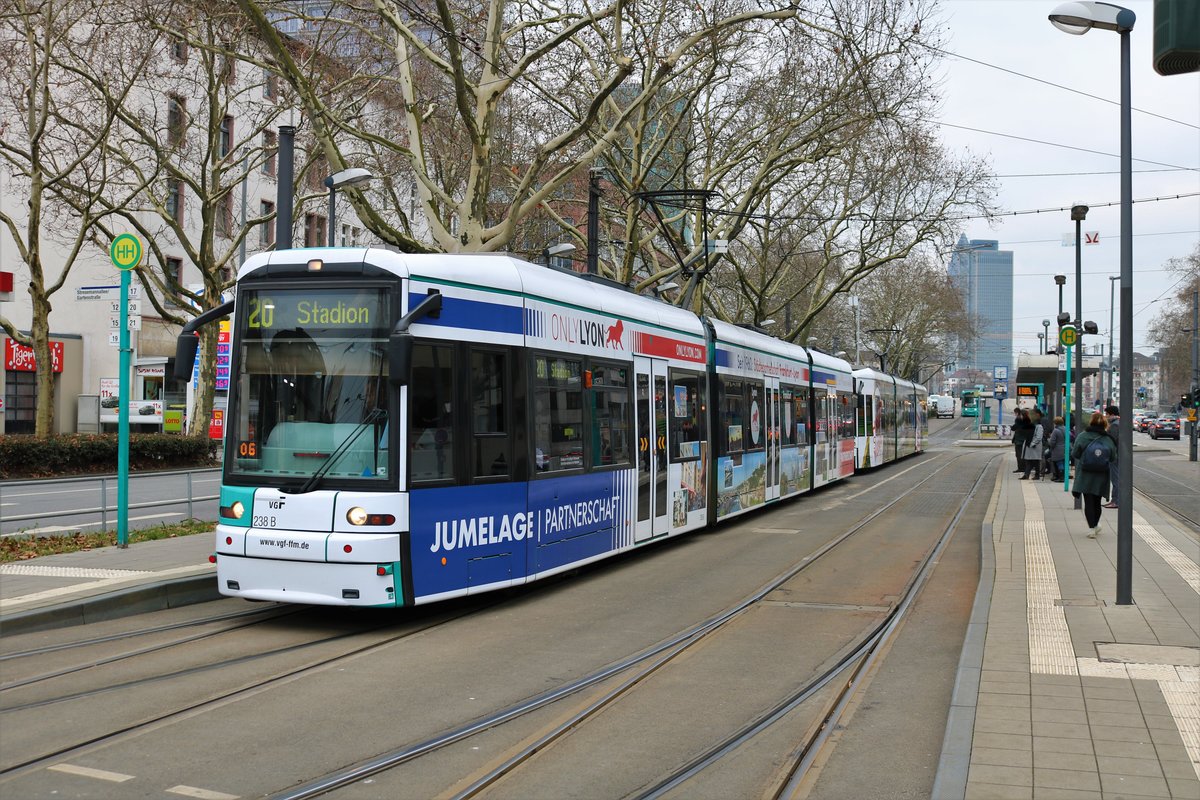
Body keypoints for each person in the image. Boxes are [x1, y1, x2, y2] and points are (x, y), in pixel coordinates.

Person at [1072, 411, 1118, 538]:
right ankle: (1096, 524)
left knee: (1088, 501)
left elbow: (1075, 453)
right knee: (1097, 501)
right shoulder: (1108, 439)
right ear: (1104, 423)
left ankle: (1092, 528)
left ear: (1090, 422)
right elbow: (1113, 457)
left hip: (1085, 472)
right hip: (1101, 474)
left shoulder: (1083, 436)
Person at [1103, 404, 1121, 509]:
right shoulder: (1118, 423)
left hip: (1114, 455)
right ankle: (1115, 500)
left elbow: (1112, 440)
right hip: (1118, 454)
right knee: (1116, 478)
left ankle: (1116, 501)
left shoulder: (1114, 425)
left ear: (1112, 414)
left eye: (1107, 414)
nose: (1106, 416)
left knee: (1115, 479)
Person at [1011, 409, 1034, 474]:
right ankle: (1024, 468)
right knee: (1023, 454)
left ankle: (1021, 468)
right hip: (1025, 440)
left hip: (1019, 441)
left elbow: (1013, 428)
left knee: (1019, 455)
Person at [1047, 416, 1067, 481]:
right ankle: (1062, 476)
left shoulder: (1055, 431)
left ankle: (1060, 477)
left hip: (1057, 450)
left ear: (1056, 423)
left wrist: (1049, 441)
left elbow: (1052, 442)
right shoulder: (1066, 429)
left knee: (1059, 463)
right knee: (1063, 462)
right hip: (1065, 449)